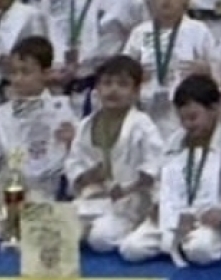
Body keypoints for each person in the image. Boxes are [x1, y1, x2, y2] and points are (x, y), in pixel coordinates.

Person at [120, 73, 221, 266]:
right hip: (173, 214)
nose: (187, 124)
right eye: (182, 119)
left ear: (214, 109)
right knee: (130, 249)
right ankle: (177, 242)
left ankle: (191, 242)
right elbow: (160, 180)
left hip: (208, 216)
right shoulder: (174, 141)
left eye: (193, 117)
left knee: (201, 251)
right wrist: (159, 204)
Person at [65, 55, 163, 252]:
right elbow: (74, 163)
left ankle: (135, 226)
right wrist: (87, 176)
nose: (113, 90)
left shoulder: (142, 125)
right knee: (56, 225)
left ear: (136, 92)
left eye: (122, 84)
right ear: (97, 89)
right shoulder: (86, 125)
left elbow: (155, 166)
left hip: (132, 202)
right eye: (107, 83)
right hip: (96, 197)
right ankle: (91, 227)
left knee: (100, 239)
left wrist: (128, 188)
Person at [123, 0, 217, 138]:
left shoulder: (198, 30)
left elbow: (218, 73)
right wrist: (135, 75)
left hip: (185, 114)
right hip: (146, 113)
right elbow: (124, 71)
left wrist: (207, 72)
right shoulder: (139, 33)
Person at [0, 36, 78, 202]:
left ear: (46, 73)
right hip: (12, 194)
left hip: (54, 195)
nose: (17, 79)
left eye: (25, 72)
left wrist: (72, 142)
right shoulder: (1, 114)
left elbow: (78, 159)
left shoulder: (63, 111)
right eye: (14, 72)